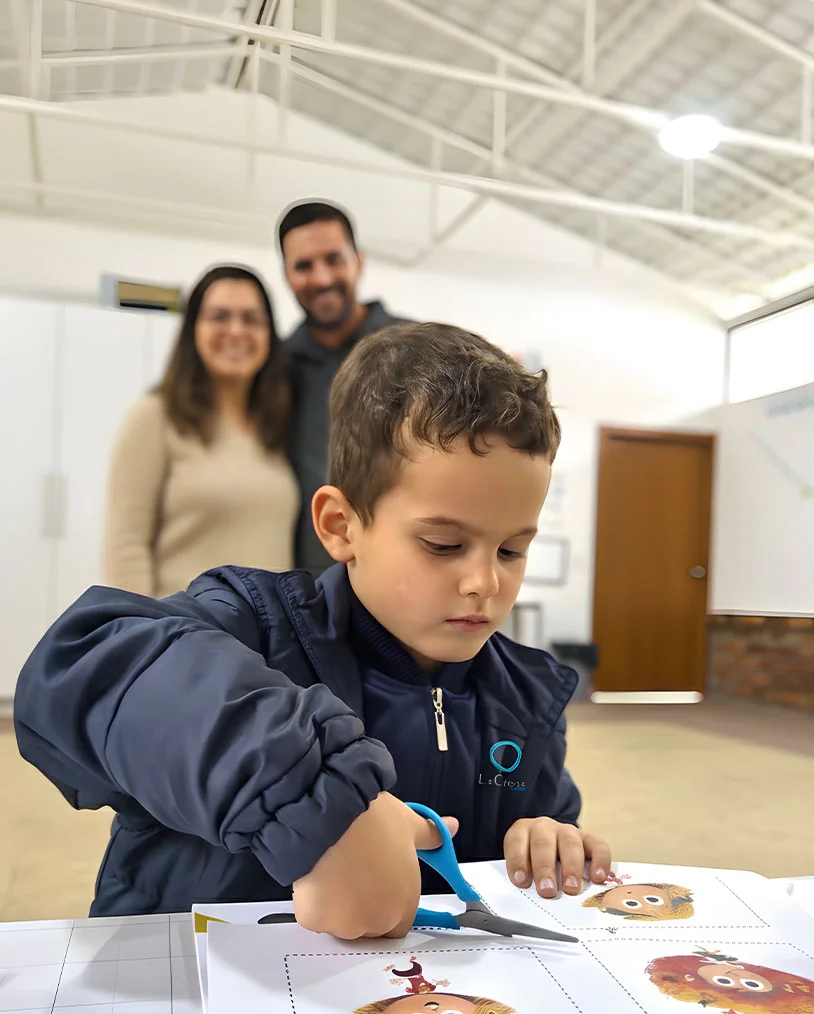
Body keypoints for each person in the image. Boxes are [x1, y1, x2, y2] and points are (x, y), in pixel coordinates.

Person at [15, 322, 610, 941]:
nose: (484, 583)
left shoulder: (527, 698)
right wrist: (317, 803)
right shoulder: (254, 627)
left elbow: (544, 828)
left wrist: (547, 836)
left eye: (512, 550)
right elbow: (81, 663)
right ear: (340, 525)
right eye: (444, 545)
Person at [102, 264, 298, 597]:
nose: (236, 331)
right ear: (193, 328)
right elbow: (125, 547)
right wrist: (146, 637)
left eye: (251, 319)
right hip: (185, 637)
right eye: (220, 316)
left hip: (267, 642)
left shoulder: (276, 426)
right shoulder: (155, 416)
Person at [278, 200, 413, 575]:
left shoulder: (419, 350)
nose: (321, 278)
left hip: (402, 584)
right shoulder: (275, 368)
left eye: (333, 259)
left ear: (359, 261)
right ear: (286, 275)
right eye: (304, 266)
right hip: (308, 594)